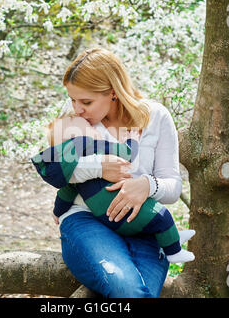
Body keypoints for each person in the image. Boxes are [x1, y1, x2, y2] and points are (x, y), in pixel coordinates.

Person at [37, 47, 189, 298]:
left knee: (140, 293)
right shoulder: (74, 119)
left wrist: (147, 185)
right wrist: (98, 167)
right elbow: (52, 168)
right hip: (85, 221)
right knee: (126, 287)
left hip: (141, 225)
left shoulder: (156, 117)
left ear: (114, 93)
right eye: (72, 99)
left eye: (86, 102)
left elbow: (173, 185)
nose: (77, 108)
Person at [31, 114, 195, 263]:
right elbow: (127, 153)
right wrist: (132, 139)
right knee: (160, 215)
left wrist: (56, 212)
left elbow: (64, 195)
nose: (95, 129)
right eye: (88, 127)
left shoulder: (72, 171)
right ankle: (173, 251)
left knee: (151, 222)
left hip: (107, 217)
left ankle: (172, 238)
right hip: (122, 205)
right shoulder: (90, 145)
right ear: (75, 136)